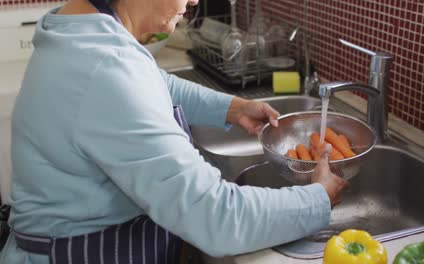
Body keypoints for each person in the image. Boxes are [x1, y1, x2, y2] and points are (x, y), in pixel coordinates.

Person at [0, 0, 348, 263]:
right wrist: (317, 197)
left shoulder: (78, 27)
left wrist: (231, 107)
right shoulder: (104, 69)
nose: (194, 0)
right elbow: (214, 217)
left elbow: (149, 82)